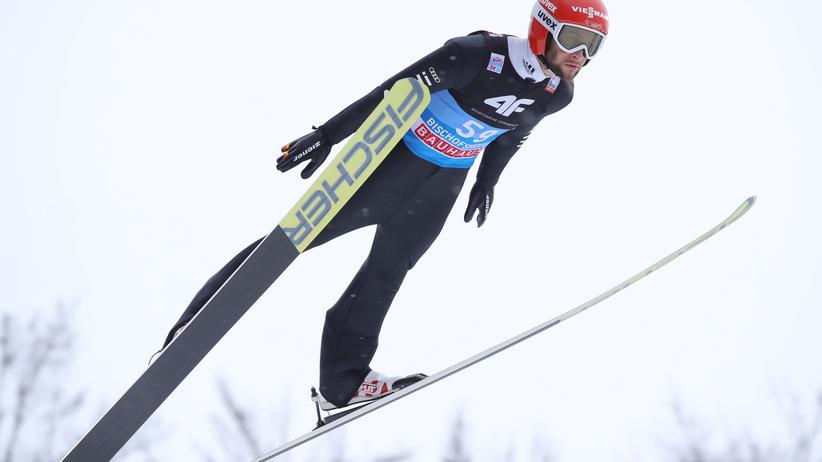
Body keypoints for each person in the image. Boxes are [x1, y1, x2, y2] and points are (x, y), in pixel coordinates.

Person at [163, 0, 610, 411]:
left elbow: (515, 132)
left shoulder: (558, 94)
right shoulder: (474, 55)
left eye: (593, 46)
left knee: (385, 277)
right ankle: (193, 324)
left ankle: (342, 384)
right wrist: (326, 135)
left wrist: (487, 181)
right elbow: (391, 92)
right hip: (390, 168)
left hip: (441, 188)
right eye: (574, 38)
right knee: (290, 242)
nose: (581, 55)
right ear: (543, 29)